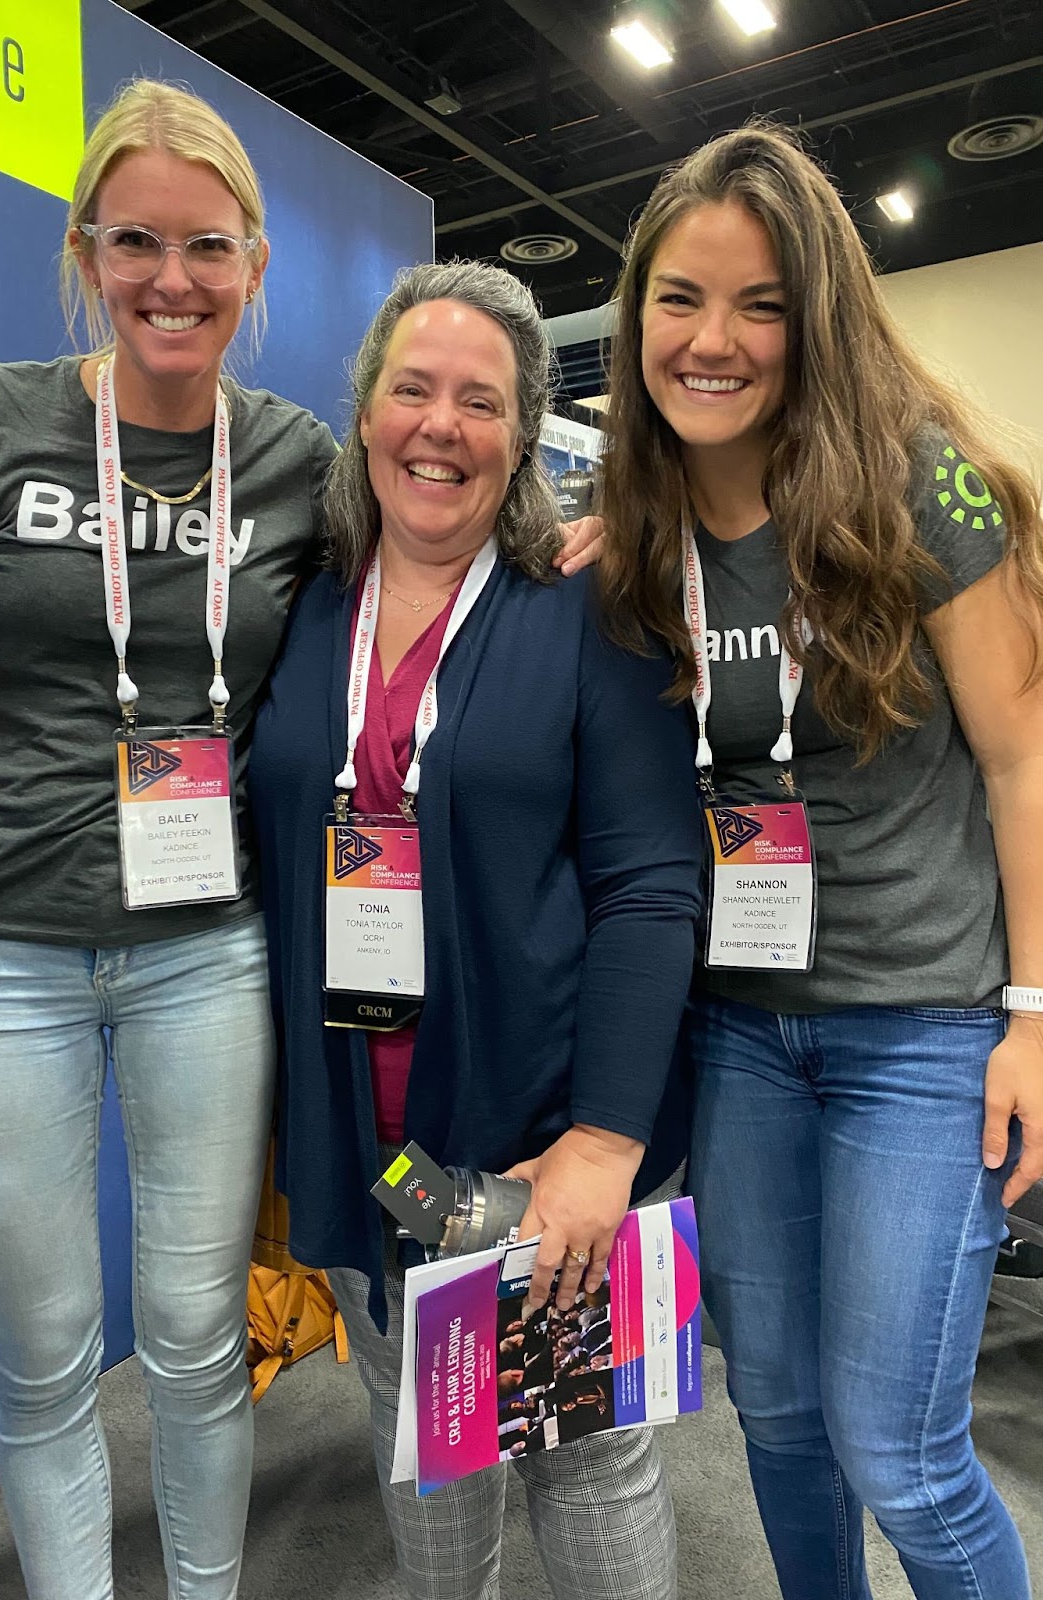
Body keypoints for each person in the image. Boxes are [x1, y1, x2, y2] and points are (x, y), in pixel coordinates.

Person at [0, 80, 342, 1600]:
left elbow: (432, 585)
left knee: (196, 1337)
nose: (171, 280)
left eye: (207, 245)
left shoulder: (297, 461)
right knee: (46, 1350)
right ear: (85, 248)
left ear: (253, 263)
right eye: (136, 240)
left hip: (208, 952)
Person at [598, 122, 1043, 1599]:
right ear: (638, 312)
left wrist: (1036, 1016)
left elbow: (1024, 756)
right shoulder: (643, 518)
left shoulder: (932, 483)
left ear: (818, 319)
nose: (712, 340)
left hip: (921, 1029)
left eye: (761, 304)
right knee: (778, 1421)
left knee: (901, 1449)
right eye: (680, 298)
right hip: (742, 1031)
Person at [248, 260, 702, 1600]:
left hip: (551, 1144)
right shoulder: (304, 606)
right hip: (370, 1150)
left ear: (523, 438)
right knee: (425, 1455)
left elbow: (653, 885)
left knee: (588, 1467)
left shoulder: (586, 612)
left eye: (482, 401)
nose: (440, 426)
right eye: (413, 390)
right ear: (368, 412)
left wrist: (605, 1143)